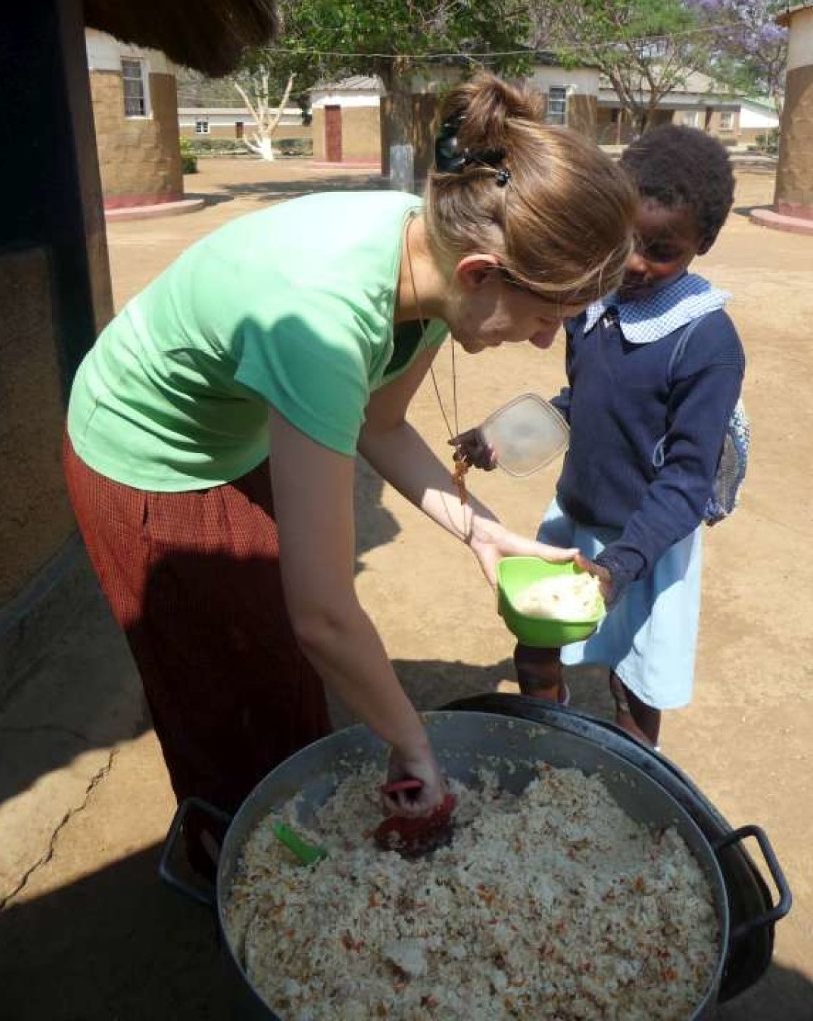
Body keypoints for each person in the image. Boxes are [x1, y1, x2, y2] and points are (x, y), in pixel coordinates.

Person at [62, 70, 637, 876]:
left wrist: (486, 536)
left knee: (276, 663)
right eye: (547, 320)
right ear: (482, 273)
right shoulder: (325, 325)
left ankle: (284, 830)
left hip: (233, 435)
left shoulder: (437, 258)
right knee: (215, 686)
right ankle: (223, 865)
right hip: (147, 457)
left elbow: (382, 422)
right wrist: (414, 745)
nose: (547, 345)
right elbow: (326, 613)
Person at [456, 124, 743, 749]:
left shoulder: (706, 341)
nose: (636, 263)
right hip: (574, 516)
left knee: (633, 688)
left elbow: (688, 478)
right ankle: (548, 739)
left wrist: (619, 567)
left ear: (705, 242)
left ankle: (630, 782)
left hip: (647, 543)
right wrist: (500, 437)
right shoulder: (594, 304)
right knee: (534, 649)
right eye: (626, 240)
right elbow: (581, 402)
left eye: (662, 248)